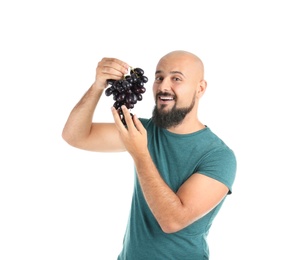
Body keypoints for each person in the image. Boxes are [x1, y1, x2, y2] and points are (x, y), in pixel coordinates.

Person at [62, 50, 237, 259]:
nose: (163, 86)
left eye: (176, 78)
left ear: (200, 88)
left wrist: (140, 153)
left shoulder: (218, 156)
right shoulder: (145, 131)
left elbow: (172, 221)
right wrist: (98, 86)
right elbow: (75, 136)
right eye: (159, 77)